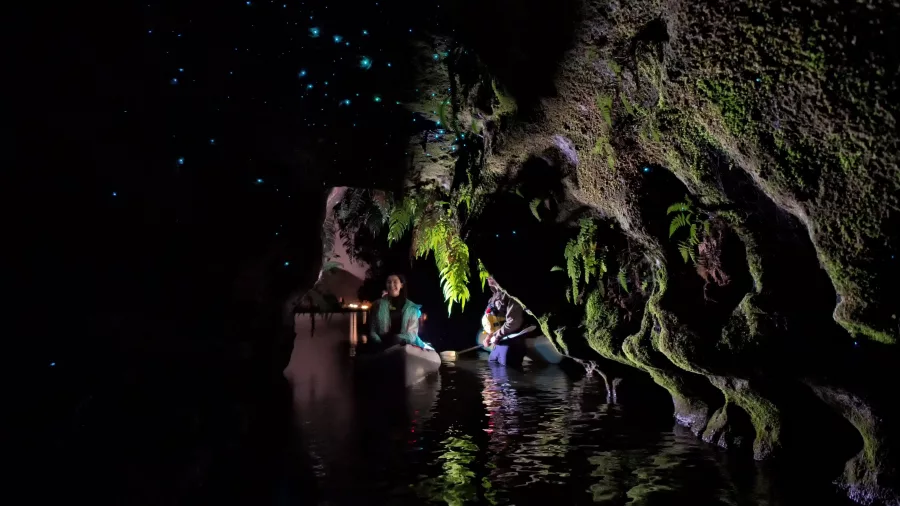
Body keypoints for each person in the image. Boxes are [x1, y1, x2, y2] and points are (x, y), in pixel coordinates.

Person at [368, 273, 432, 350]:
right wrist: (380, 344)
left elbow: (412, 335)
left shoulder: (411, 308)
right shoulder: (377, 305)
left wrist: (395, 339)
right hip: (381, 347)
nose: (391, 285)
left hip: (404, 347)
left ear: (401, 285)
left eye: (395, 282)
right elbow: (372, 330)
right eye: (389, 282)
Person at [482, 277, 529, 367]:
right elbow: (494, 322)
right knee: (491, 367)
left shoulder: (512, 293)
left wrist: (497, 336)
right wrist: (489, 336)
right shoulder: (493, 297)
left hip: (512, 343)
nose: (488, 277)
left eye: (491, 274)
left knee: (507, 375)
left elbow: (513, 322)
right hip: (499, 343)